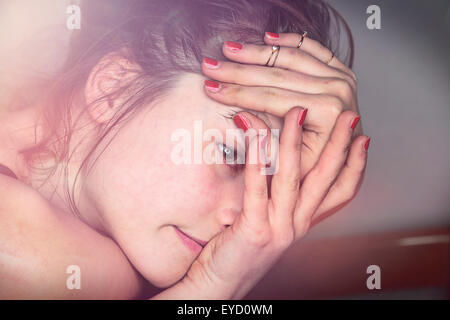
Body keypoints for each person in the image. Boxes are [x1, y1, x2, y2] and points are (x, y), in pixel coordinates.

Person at [0, 0, 370, 299]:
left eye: (275, 187)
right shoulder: (54, 263)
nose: (244, 222)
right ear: (114, 88)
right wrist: (211, 288)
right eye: (230, 154)